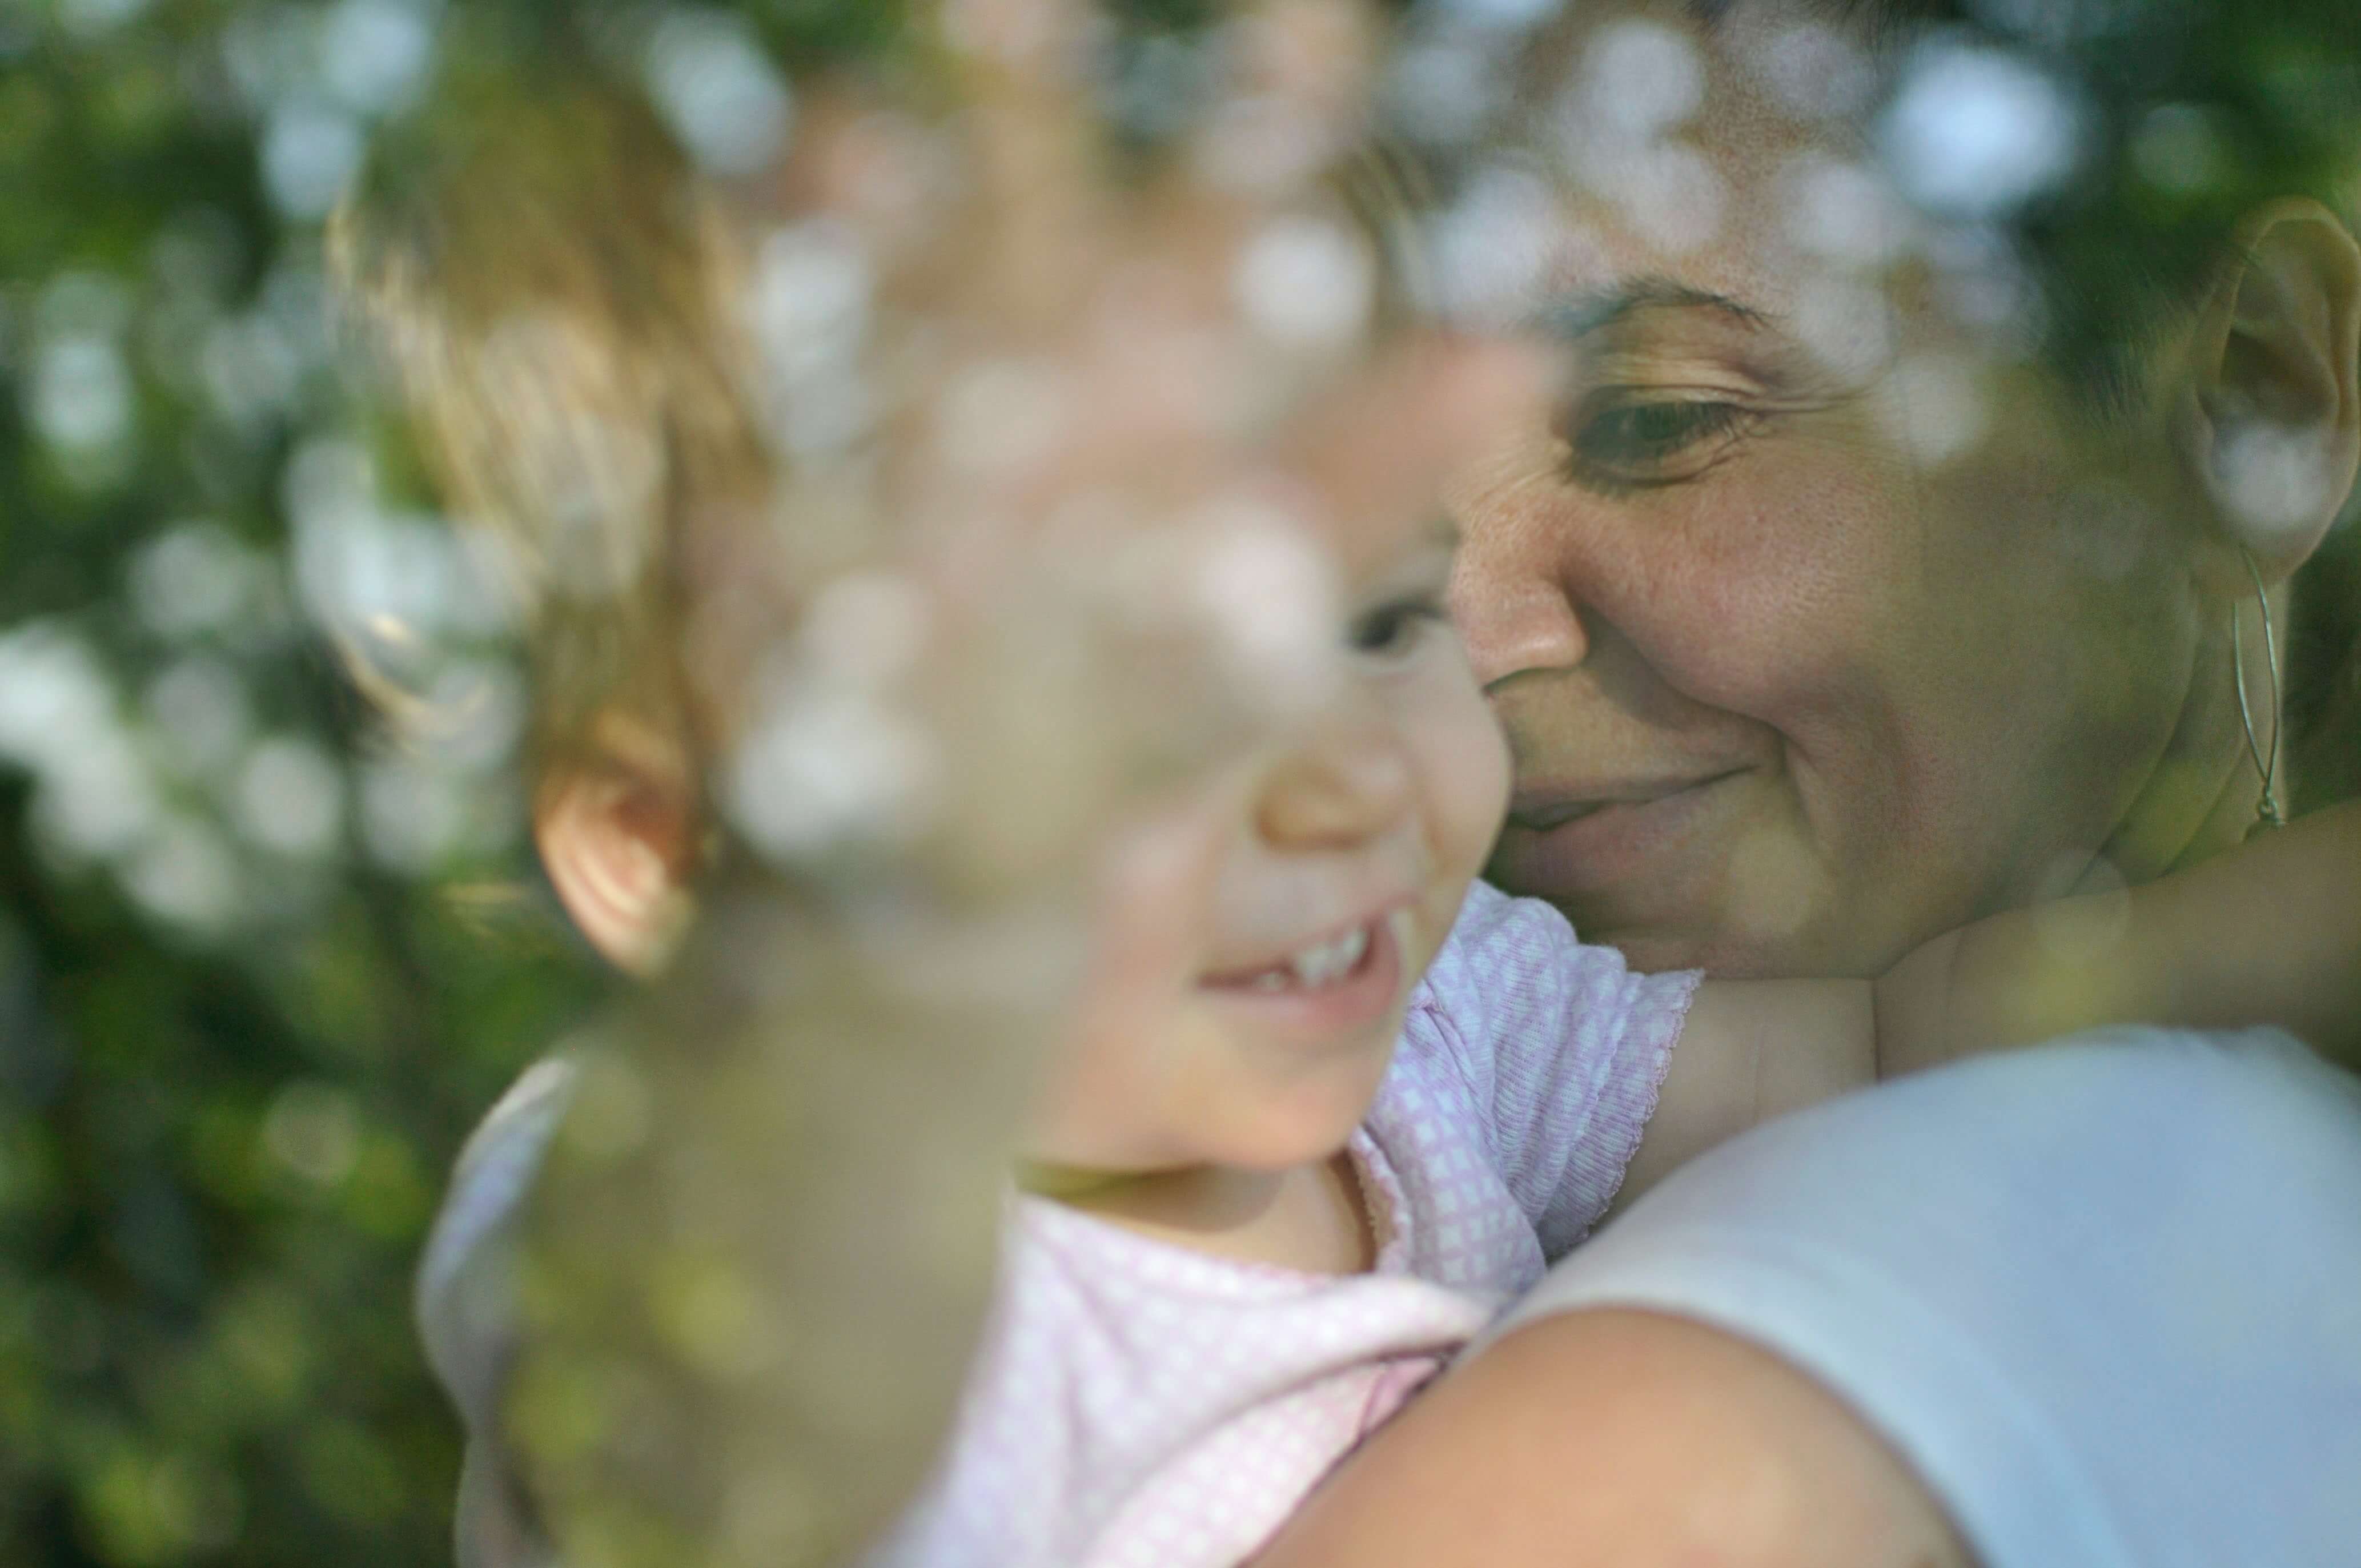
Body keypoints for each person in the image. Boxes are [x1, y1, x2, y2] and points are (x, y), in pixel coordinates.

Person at [339, 21, 2361, 1568]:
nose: (1337, 763)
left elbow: (1910, 1031)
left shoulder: (1450, 1033)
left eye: (1365, 605)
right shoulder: (742, 1178)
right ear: (679, 860)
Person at [1254, 0, 2361, 1562]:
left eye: (1657, 420)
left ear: (2249, 407)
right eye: (1341, 470)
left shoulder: (1867, 1341)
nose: (1464, 622)